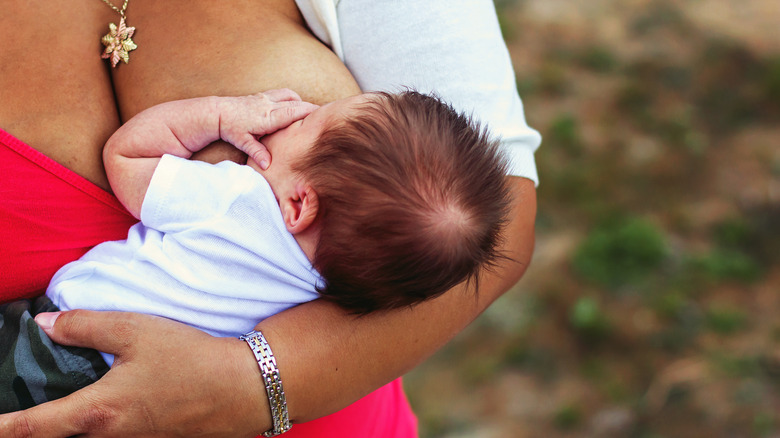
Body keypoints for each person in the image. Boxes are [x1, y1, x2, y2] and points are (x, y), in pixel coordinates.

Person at [0, 0, 540, 436]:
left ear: (299, 205)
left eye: (310, 117)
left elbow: (129, 160)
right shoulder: (333, 276)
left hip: (56, 345)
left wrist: (248, 382)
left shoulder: (238, 202)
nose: (295, 118)